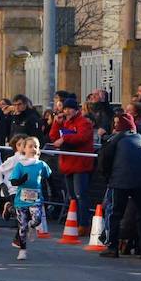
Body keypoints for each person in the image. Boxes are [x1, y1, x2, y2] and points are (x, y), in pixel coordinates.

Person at [98, 114, 141, 258]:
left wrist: (107, 177)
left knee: (115, 214)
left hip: (120, 181)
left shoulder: (116, 139)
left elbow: (104, 159)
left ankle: (112, 247)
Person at [49, 97, 95, 234]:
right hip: (68, 163)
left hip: (80, 164)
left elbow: (81, 137)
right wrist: (56, 124)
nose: (66, 111)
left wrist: (64, 138)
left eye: (69, 109)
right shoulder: (65, 123)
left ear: (76, 110)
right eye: (65, 109)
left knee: (81, 195)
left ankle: (84, 223)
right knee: (72, 196)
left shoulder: (84, 122)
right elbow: (53, 137)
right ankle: (74, 221)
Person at [9, 136, 51, 261]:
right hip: (21, 200)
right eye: (30, 146)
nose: (33, 149)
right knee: (22, 227)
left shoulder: (41, 164)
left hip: (36, 199)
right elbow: (13, 181)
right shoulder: (20, 165)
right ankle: (22, 250)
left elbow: (48, 174)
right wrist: (21, 180)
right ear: (24, 149)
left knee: (37, 219)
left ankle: (32, 226)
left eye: (36, 146)